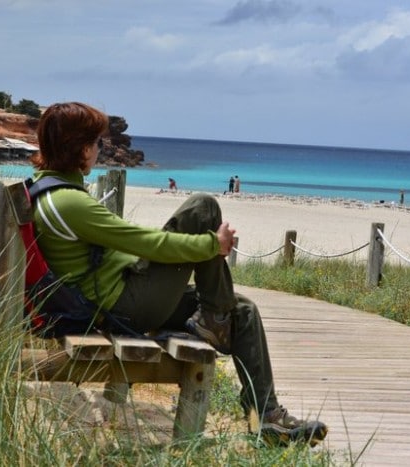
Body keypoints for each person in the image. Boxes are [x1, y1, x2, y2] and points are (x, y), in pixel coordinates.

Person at [29, 102, 327, 446]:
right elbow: (144, 243)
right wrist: (209, 246)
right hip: (122, 306)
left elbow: (128, 244)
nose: (101, 149)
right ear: (81, 149)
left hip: (117, 296)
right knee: (203, 206)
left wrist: (183, 253)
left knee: (241, 311)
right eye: (98, 143)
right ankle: (214, 316)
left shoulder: (48, 192)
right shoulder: (68, 202)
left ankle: (267, 418)